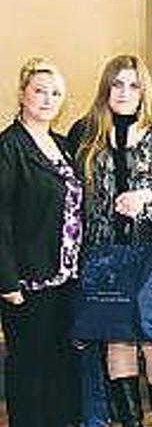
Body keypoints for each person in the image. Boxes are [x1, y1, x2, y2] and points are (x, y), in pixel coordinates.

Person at [69, 55, 152, 427]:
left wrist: (147, 195)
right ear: (106, 87)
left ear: (144, 92)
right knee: (116, 339)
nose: (124, 92)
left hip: (149, 253)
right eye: (117, 84)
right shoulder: (84, 132)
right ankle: (129, 421)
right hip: (102, 254)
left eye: (133, 85)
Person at [0, 58, 81, 427]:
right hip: (26, 280)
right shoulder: (9, 146)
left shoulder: (62, 145)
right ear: (22, 94)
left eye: (55, 93)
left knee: (61, 361)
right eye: (39, 90)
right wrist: (6, 281)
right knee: (29, 366)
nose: (47, 99)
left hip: (65, 275)